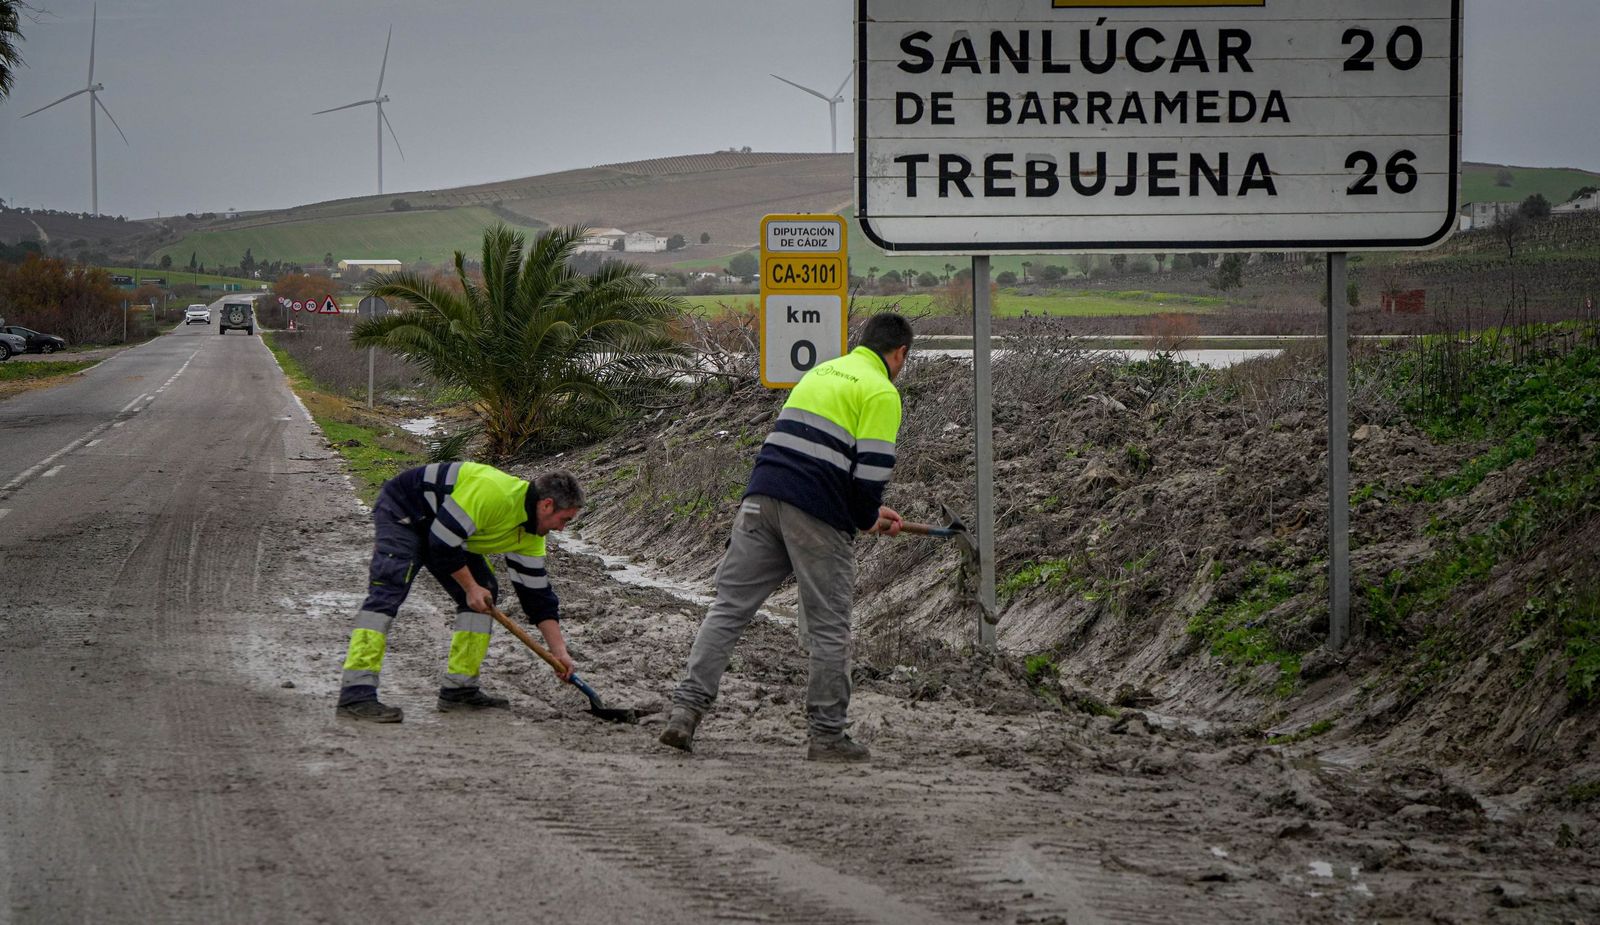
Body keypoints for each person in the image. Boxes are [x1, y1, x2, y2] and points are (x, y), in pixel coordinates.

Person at [660, 313, 913, 762]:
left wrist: (866, 514)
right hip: (814, 514)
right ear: (900, 354)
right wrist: (866, 515)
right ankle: (828, 736)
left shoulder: (820, 372)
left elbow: (812, 452)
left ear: (862, 342)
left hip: (761, 498)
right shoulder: (880, 390)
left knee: (728, 610)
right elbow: (871, 474)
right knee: (830, 627)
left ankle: (685, 712)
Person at [335, 463, 584, 723]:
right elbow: (442, 544)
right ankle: (356, 693)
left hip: (445, 529)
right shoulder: (494, 494)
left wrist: (559, 651)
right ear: (546, 505)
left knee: (484, 595)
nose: (562, 529)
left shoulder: (531, 535)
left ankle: (460, 689)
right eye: (564, 519)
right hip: (406, 509)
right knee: (388, 590)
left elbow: (537, 597)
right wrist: (469, 587)